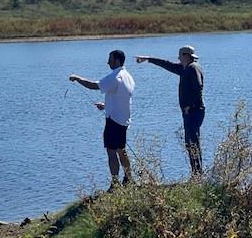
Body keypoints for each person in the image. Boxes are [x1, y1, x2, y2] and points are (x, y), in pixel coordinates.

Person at [69, 50, 135, 190]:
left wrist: (77, 78)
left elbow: (94, 85)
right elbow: (122, 99)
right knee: (121, 150)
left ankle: (115, 184)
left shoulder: (115, 76)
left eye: (110, 59)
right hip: (123, 119)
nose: (108, 62)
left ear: (117, 60)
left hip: (113, 121)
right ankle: (129, 178)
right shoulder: (128, 76)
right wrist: (106, 106)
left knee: (112, 152)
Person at [136, 45, 205, 176]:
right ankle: (196, 173)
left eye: (180, 55)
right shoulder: (184, 68)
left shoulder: (193, 68)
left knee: (193, 142)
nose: (178, 58)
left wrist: (189, 106)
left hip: (194, 111)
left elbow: (198, 87)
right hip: (190, 112)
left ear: (185, 55)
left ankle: (198, 174)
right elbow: (167, 65)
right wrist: (148, 59)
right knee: (190, 143)